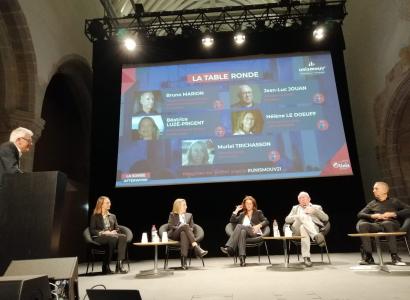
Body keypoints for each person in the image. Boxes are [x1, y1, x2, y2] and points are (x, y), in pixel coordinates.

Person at [356, 181, 410, 266]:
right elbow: (360, 214)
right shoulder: (372, 203)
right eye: (373, 189)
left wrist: (393, 214)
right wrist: (373, 216)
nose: (373, 190)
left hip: (392, 224)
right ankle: (368, 256)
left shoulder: (394, 201)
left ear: (384, 190)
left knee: (387, 223)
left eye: (376, 188)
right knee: (363, 225)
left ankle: (395, 256)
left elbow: (408, 209)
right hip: (378, 225)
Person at [220, 195, 268, 266]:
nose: (248, 205)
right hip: (245, 233)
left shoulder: (258, 212)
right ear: (244, 205)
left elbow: (266, 221)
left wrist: (258, 225)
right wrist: (236, 210)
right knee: (242, 232)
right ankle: (242, 259)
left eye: (250, 203)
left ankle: (230, 248)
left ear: (253, 204)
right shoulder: (242, 214)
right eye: (247, 204)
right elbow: (232, 221)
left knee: (239, 226)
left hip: (254, 232)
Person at [285, 191, 329, 267]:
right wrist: (297, 216)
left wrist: (315, 211)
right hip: (296, 230)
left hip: (312, 228)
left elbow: (326, 218)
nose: (302, 199)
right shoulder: (295, 208)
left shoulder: (317, 207)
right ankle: (316, 236)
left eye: (304, 197)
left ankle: (306, 257)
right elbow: (287, 219)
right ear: (298, 200)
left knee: (303, 228)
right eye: (300, 198)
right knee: (302, 216)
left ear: (309, 199)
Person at [89, 196, 128, 274]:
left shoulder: (113, 216)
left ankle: (119, 265)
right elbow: (92, 230)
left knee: (123, 237)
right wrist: (104, 232)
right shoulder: (95, 216)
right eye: (107, 203)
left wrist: (114, 231)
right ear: (101, 204)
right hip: (100, 237)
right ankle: (105, 266)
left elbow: (117, 228)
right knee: (112, 239)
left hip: (112, 236)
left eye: (109, 202)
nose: (110, 204)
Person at [167, 198, 208, 269]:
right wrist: (180, 227)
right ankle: (196, 247)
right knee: (184, 226)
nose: (186, 207)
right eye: (184, 205)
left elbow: (192, 227)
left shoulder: (189, 215)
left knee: (183, 233)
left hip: (186, 236)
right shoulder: (172, 215)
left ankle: (184, 264)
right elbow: (170, 226)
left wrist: (185, 228)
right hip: (175, 235)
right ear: (178, 206)